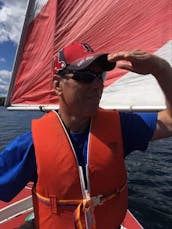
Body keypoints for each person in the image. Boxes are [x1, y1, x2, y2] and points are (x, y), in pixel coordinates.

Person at [0, 42, 172, 229]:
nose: (98, 85)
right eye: (86, 77)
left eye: (100, 77)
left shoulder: (121, 127)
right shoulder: (31, 145)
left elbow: (170, 122)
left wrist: (161, 69)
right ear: (58, 86)